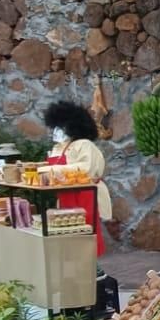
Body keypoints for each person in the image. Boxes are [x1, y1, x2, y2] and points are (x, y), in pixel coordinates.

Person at [43, 100, 112, 257]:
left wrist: (51, 170)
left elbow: (86, 169)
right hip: (66, 194)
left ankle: (90, 265)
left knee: (86, 229)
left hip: (84, 194)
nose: (55, 131)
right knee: (67, 228)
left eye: (59, 127)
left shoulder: (84, 145)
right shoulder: (58, 148)